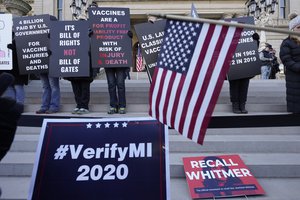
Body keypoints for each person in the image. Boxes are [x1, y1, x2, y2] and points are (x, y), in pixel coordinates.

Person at [105, 31, 132, 114]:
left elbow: (127, 47)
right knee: (111, 84)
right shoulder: (103, 31)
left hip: (120, 61)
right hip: (107, 61)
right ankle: (113, 105)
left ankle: (122, 106)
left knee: (120, 84)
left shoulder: (121, 29)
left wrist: (129, 38)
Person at [279, 12, 300, 114]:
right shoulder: (287, 42)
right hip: (294, 76)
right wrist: (298, 67)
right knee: (295, 98)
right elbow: (286, 59)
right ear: (293, 29)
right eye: (299, 27)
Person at [2, 33, 29, 105]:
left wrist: (13, 49)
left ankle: (19, 106)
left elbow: (24, 53)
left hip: (18, 70)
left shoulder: (21, 40)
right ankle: (11, 106)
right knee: (9, 88)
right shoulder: (3, 40)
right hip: (7, 70)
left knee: (18, 87)